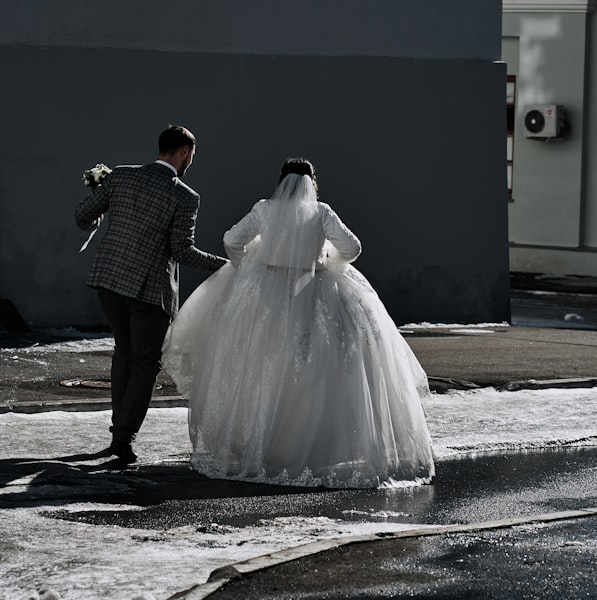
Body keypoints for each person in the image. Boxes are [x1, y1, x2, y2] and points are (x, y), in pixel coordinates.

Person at [162, 158, 435, 488]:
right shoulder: (321, 213)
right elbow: (353, 247)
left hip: (264, 294)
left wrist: (247, 263)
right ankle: (310, 445)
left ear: (281, 182)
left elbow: (232, 240)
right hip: (311, 290)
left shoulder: (265, 209)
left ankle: (260, 443)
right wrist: (329, 258)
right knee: (311, 368)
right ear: (312, 183)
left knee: (261, 365)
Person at [75, 125, 227, 465]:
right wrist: (226, 266)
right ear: (185, 152)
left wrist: (99, 210)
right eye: (193, 155)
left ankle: (119, 431)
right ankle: (122, 438)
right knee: (145, 362)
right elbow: (182, 251)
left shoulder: (121, 176)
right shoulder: (185, 196)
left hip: (109, 280)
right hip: (149, 290)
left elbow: (83, 216)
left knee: (123, 352)